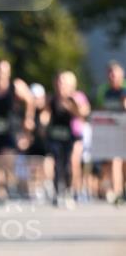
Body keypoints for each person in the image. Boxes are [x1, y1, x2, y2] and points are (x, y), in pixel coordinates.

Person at [0, 59, 34, 202]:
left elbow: (30, 99)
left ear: (9, 72)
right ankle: (1, 190)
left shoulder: (15, 87)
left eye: (4, 71)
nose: (1, 74)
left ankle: (6, 186)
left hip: (10, 131)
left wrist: (28, 118)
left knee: (6, 159)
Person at [46, 71, 89, 207]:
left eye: (64, 82)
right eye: (59, 82)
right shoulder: (52, 99)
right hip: (57, 136)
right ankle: (58, 191)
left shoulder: (76, 97)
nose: (61, 85)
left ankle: (72, 191)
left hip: (73, 136)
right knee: (57, 164)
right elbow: (46, 115)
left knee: (71, 163)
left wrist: (72, 106)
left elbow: (84, 113)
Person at [95, 61, 126, 204]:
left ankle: (121, 190)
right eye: (110, 74)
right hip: (111, 131)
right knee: (114, 161)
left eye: (115, 74)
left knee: (122, 163)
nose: (112, 77)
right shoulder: (104, 90)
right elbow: (100, 110)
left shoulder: (124, 89)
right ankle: (117, 192)